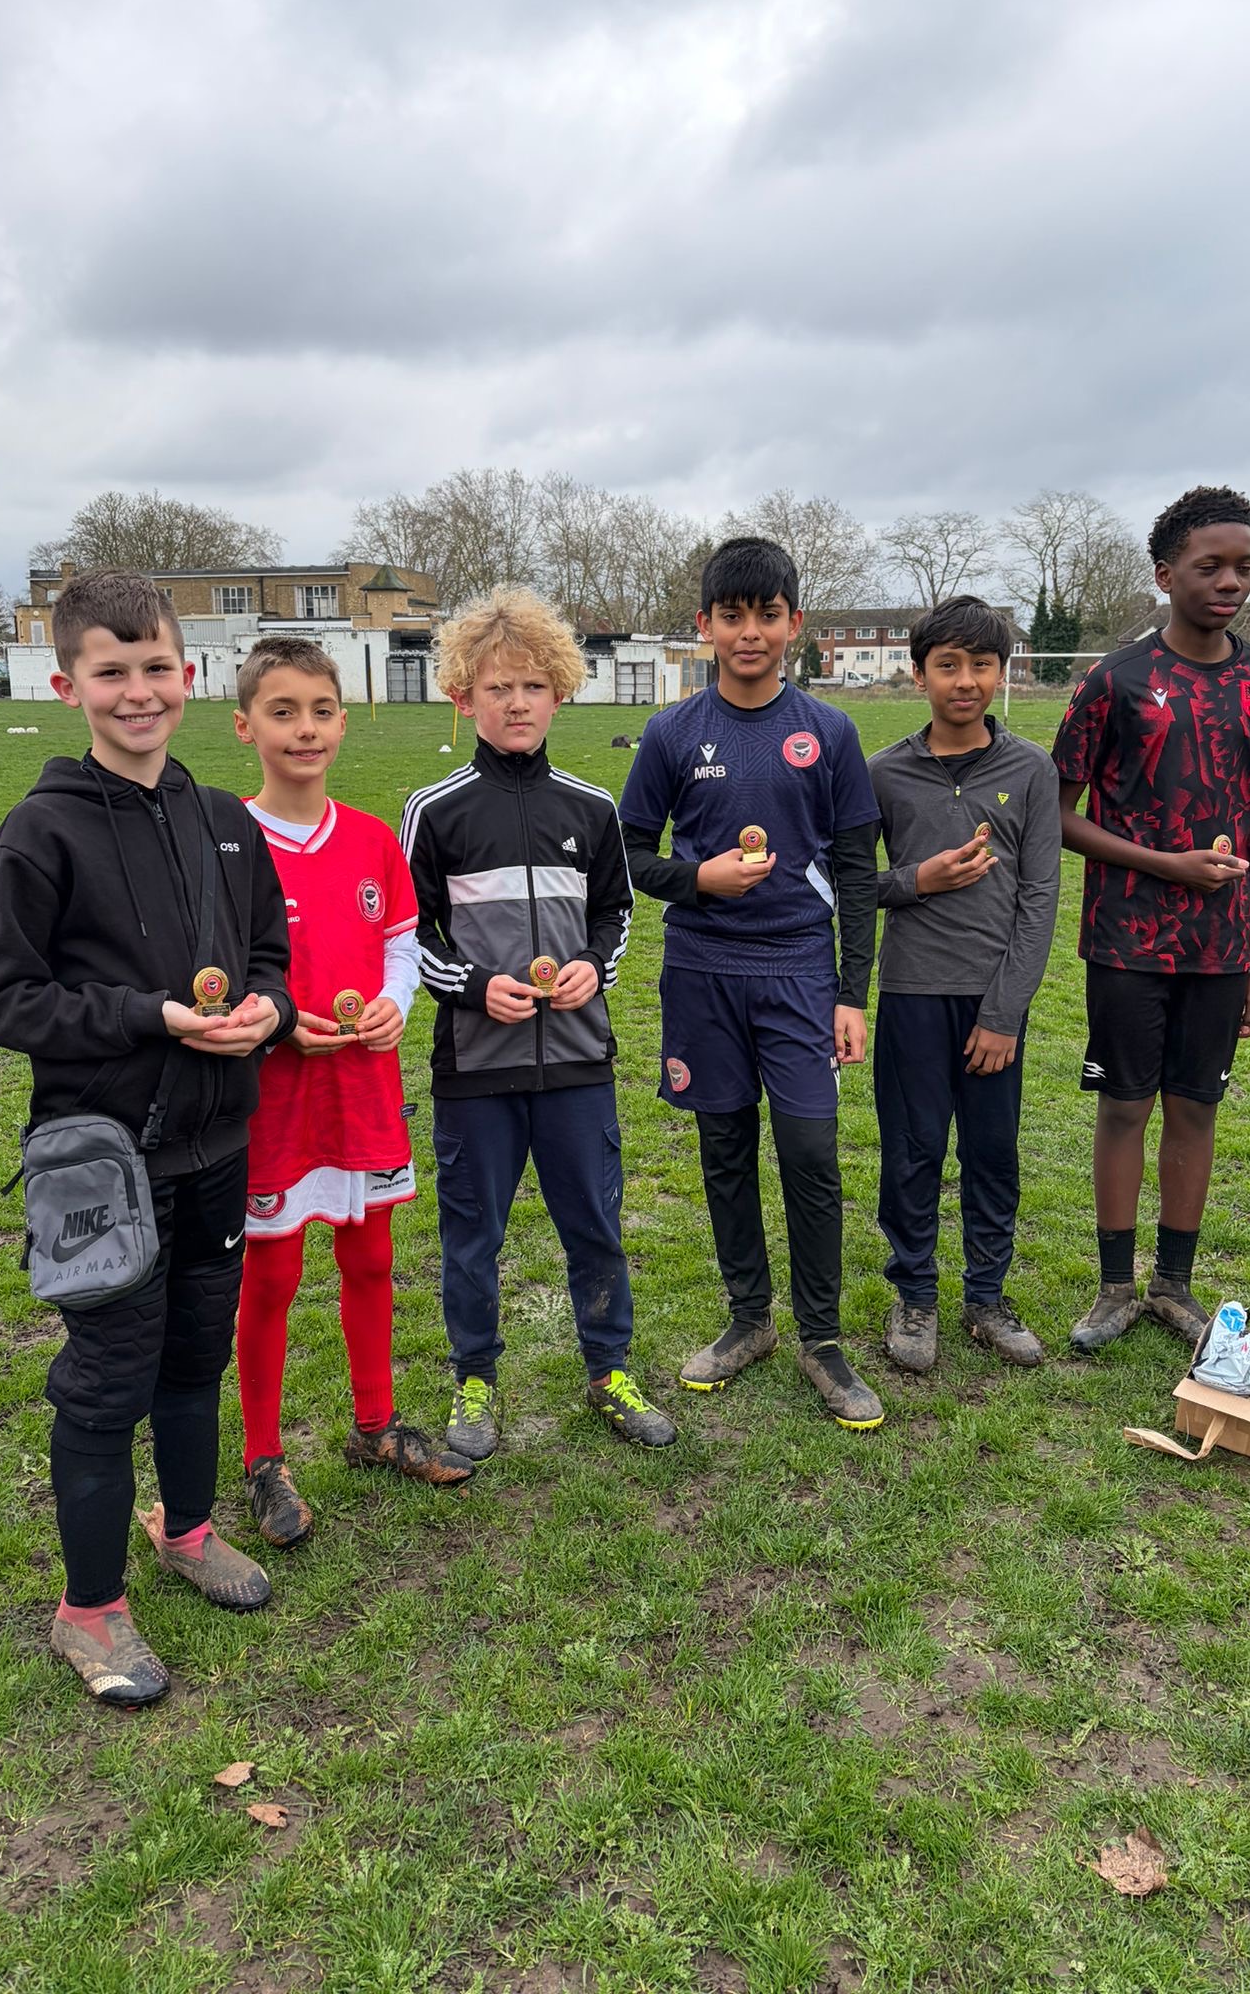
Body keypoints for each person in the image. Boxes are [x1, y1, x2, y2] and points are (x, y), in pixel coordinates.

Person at [0, 570, 296, 1707]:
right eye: (113, 672)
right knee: (107, 1383)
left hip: (215, 1145)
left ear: (189, 676)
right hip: (99, 1159)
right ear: (68, 685)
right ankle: (88, 1610)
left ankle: (189, 1529)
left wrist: (265, 1014)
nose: (139, 691)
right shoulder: (37, 833)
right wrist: (145, 1015)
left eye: (157, 667)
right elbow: (1, 999)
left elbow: (269, 961)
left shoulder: (226, 822)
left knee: (196, 1358)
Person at [401, 587, 675, 1456]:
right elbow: (410, 937)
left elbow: (617, 918)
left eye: (531, 686)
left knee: (595, 1224)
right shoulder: (433, 811)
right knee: (471, 1234)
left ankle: (610, 1369)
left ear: (560, 691)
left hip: (579, 1064)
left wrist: (598, 967)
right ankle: (474, 1381)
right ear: (462, 697)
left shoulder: (591, 809)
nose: (515, 704)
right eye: (495, 689)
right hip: (476, 1068)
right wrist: (474, 986)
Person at [618, 536, 885, 1429]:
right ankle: (748, 1320)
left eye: (768, 614)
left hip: (802, 977)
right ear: (704, 626)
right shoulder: (670, 733)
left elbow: (856, 870)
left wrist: (853, 991)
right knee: (725, 1152)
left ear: (794, 625)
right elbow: (625, 854)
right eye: (732, 615)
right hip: (702, 973)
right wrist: (698, 880)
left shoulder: (832, 732)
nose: (750, 632)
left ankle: (822, 1339)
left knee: (810, 1156)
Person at [232, 638, 473, 1551]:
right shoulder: (230, 840)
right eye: (283, 711)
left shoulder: (373, 837)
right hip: (274, 1097)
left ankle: (374, 1427)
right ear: (245, 722)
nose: (305, 729)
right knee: (274, 1273)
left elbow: (403, 944)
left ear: (344, 718)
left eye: (321, 711)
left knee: (370, 1259)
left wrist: (392, 1005)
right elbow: (214, 964)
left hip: (361, 1088)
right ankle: (262, 1459)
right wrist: (276, 1016)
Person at [1052, 485, 1250, 1353]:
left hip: (1225, 949)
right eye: (1210, 566)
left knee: (1196, 1109)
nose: (1229, 581)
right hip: (1126, 939)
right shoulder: (1114, 680)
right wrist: (1166, 866)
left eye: (1243, 566)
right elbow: (1057, 812)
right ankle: (1114, 1288)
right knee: (1124, 1106)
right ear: (1166, 575)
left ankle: (1173, 1286)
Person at [870, 595, 1061, 1371]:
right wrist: (919, 878)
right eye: (947, 664)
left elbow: (1039, 898)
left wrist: (1006, 1012)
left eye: (982, 664)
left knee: (992, 1153)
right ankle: (914, 1296)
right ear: (919, 674)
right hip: (912, 996)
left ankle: (987, 1296)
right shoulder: (882, 772)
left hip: (994, 1008)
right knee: (912, 1152)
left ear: (1001, 673)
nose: (965, 680)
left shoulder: (1031, 769)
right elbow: (852, 886)